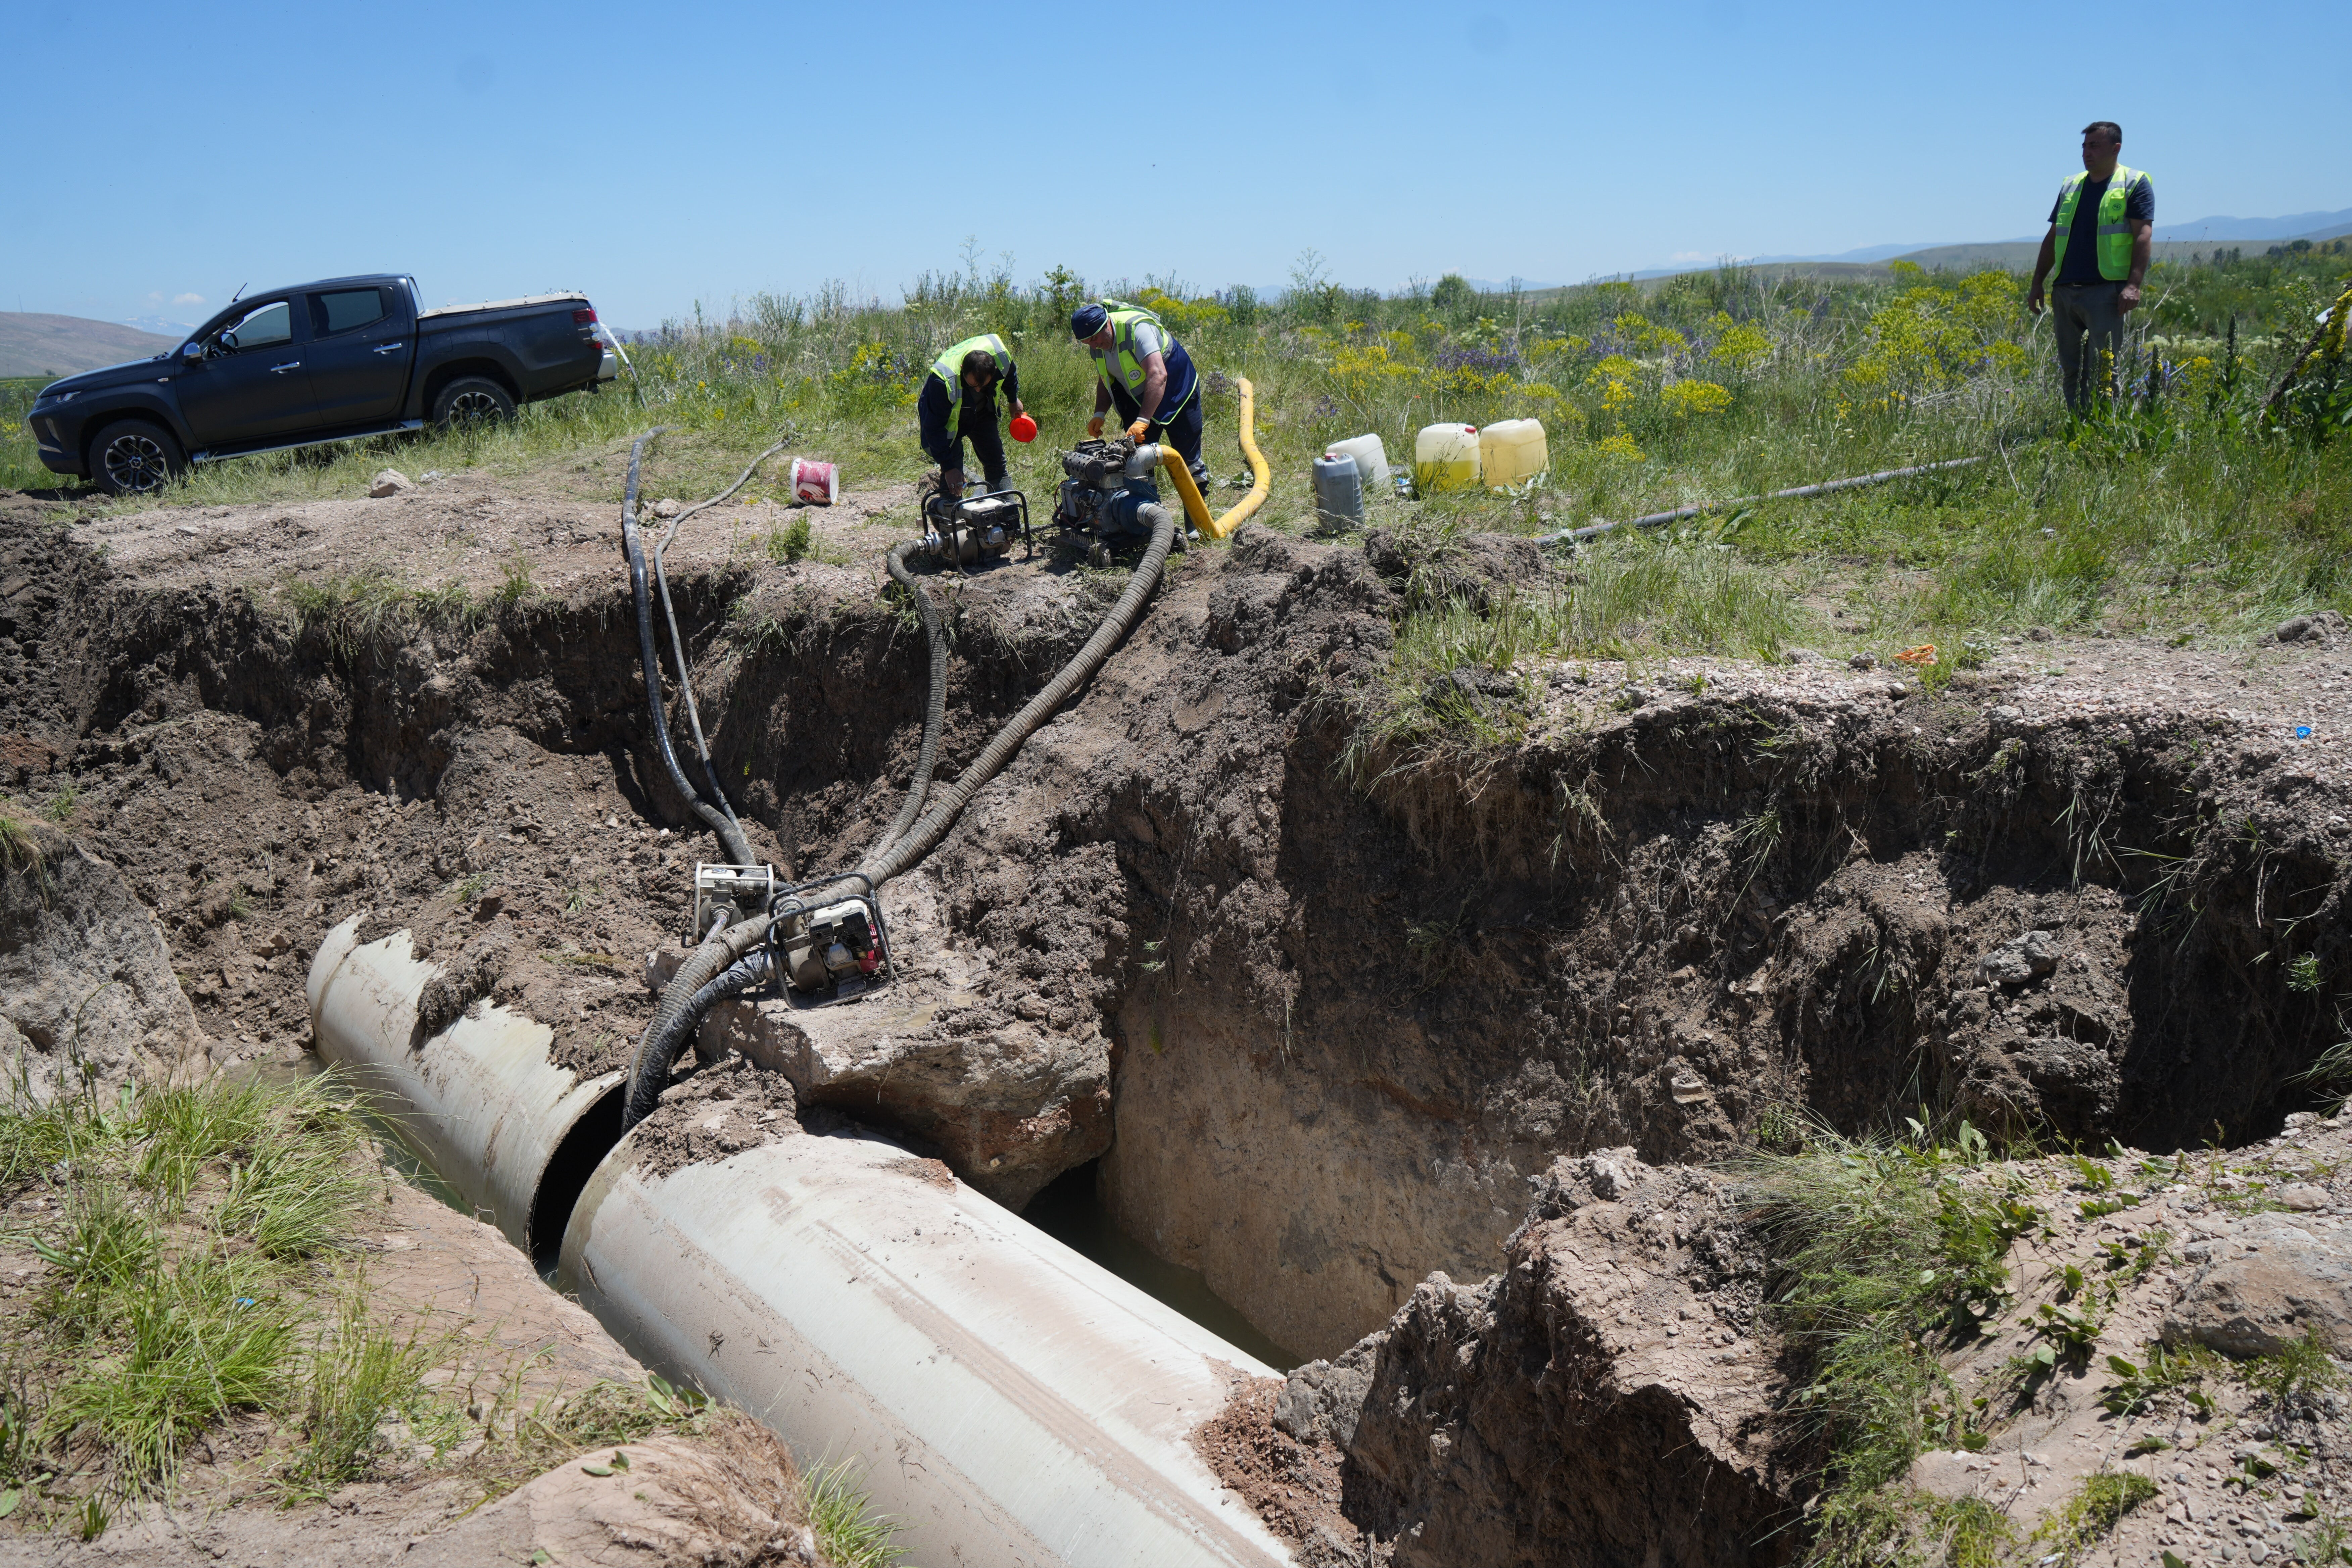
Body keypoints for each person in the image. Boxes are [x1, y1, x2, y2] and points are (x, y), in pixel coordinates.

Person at [2027, 121, 2154, 414]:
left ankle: (2106, 429)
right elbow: (2052, 236)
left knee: (2106, 368)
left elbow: (2143, 235)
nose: (2087, 153)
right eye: (2084, 147)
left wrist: (2133, 285)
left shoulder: (2133, 183)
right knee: (2071, 369)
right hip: (2065, 290)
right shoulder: (2071, 185)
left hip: (2105, 292)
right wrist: (2038, 282)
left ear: (2115, 148)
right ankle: (2077, 426)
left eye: (2094, 146)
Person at [1070, 301, 1213, 490]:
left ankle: (1197, 518)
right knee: (1138, 461)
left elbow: (1158, 375)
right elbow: (1105, 379)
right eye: (1088, 342)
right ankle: (1150, 514)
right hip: (1142, 397)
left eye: (1095, 338)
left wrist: (1143, 420)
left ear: (1107, 323)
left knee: (1188, 459)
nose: (1094, 345)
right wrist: (1099, 414)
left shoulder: (1136, 330)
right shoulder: (1096, 346)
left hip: (1177, 392)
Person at [917, 334, 1027, 498]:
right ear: (962, 368)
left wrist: (1013, 400)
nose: (977, 390)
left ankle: (1007, 515)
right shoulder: (942, 381)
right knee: (954, 473)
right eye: (973, 385)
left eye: (983, 385)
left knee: (996, 462)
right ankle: (950, 515)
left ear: (994, 371)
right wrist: (948, 467)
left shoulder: (1001, 357)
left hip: (982, 412)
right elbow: (934, 428)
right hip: (949, 421)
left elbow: (1010, 372)